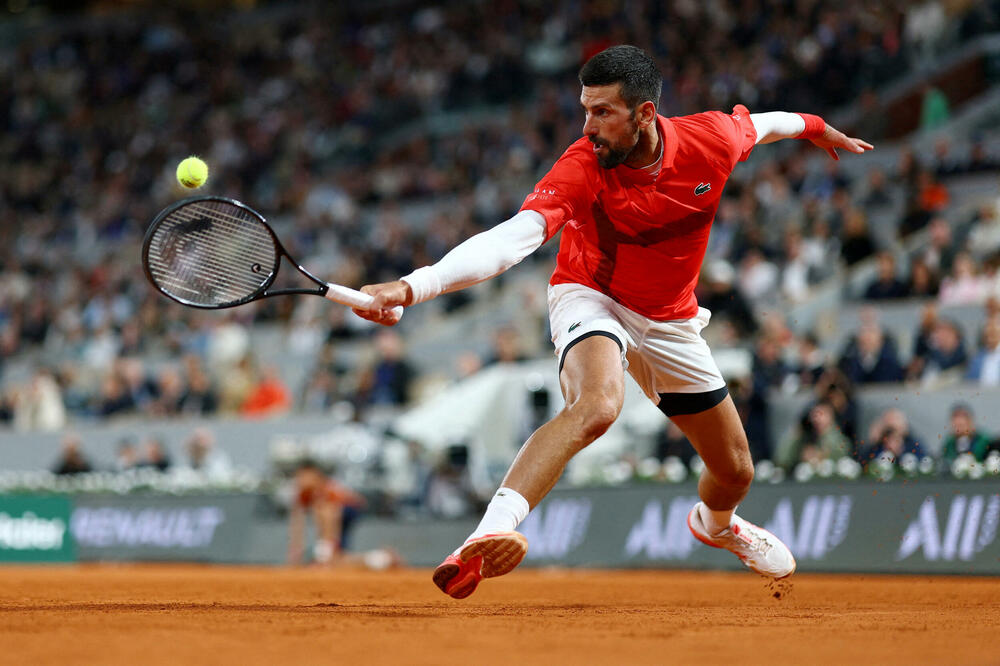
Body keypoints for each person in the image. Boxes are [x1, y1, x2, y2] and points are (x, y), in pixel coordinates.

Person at [354, 45, 873, 598]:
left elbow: (769, 124)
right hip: (591, 294)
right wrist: (413, 285)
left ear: (646, 114)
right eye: (585, 109)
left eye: (603, 112)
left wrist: (818, 128)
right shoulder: (583, 164)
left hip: (671, 317)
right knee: (598, 405)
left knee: (736, 471)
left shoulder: (712, 140)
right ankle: (488, 534)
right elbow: (514, 239)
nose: (588, 125)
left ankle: (716, 525)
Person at [287, 459, 368, 566]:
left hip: (350, 509)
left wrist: (328, 546)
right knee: (341, 559)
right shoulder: (302, 494)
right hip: (336, 516)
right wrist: (295, 549)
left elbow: (333, 515)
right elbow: (297, 521)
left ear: (314, 476)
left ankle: (326, 552)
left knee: (324, 509)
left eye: (304, 476)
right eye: (299, 477)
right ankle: (381, 559)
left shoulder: (327, 488)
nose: (300, 480)